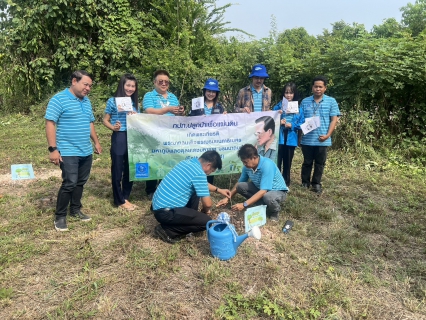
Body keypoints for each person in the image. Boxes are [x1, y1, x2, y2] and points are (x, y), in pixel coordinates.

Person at [45, 70, 102, 231]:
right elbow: (50, 124)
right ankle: (60, 216)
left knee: (80, 182)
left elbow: (90, 122)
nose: (88, 88)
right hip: (68, 150)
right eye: (85, 84)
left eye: (90, 86)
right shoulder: (59, 99)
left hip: (85, 150)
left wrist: (96, 142)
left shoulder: (87, 101)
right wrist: (53, 149)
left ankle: (75, 210)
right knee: (69, 182)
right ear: (74, 81)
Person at [151, 151, 231, 243]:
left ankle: (190, 217)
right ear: (208, 165)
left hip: (156, 206)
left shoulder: (187, 163)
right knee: (206, 222)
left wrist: (219, 190)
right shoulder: (199, 173)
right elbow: (208, 204)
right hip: (166, 213)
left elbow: (202, 184)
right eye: (211, 171)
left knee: (195, 189)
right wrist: (205, 211)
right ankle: (167, 230)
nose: (209, 173)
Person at [217, 144, 288, 221]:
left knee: (268, 197)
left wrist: (244, 204)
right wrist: (228, 198)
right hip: (261, 189)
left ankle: (274, 211)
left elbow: (263, 191)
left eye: (246, 162)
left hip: (277, 191)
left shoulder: (267, 165)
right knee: (240, 186)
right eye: (243, 162)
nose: (244, 164)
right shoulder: (247, 167)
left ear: (254, 158)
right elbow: (239, 183)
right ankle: (261, 204)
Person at [142, 70, 184, 199]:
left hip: (170, 134)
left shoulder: (173, 97)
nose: (164, 84)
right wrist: (168, 109)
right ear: (155, 82)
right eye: (161, 81)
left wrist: (180, 112)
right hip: (154, 134)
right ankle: (150, 189)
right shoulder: (149, 96)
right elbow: (149, 111)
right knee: (154, 159)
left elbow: (177, 115)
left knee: (167, 160)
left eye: (166, 82)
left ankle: (164, 187)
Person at [103, 74, 139, 211]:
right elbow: (105, 119)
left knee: (130, 169)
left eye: (133, 86)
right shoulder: (112, 101)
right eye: (128, 85)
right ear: (122, 85)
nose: (130, 88)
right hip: (120, 136)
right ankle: (119, 200)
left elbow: (139, 121)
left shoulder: (135, 103)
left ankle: (125, 196)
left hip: (133, 137)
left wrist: (135, 117)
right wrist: (113, 127)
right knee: (118, 168)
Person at [300, 76, 340, 194]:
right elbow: (300, 119)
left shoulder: (331, 101)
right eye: (315, 86)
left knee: (320, 163)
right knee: (307, 162)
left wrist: (328, 135)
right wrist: (299, 137)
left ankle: (316, 183)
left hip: (322, 139)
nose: (318, 89)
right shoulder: (305, 101)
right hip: (307, 139)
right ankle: (305, 182)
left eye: (320, 87)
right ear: (312, 88)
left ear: (325, 88)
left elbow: (334, 120)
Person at [189, 78, 227, 184]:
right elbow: (189, 120)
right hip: (198, 138)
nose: (211, 93)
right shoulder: (196, 104)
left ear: (216, 93)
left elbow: (224, 124)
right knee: (200, 159)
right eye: (208, 91)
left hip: (213, 139)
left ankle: (208, 184)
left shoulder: (219, 107)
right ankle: (196, 181)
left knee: (211, 160)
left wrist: (225, 117)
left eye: (213, 91)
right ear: (205, 91)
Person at [272, 83, 303, 186]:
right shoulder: (279, 105)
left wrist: (292, 125)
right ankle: (275, 180)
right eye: (286, 93)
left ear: (294, 94)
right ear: (283, 94)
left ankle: (286, 181)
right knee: (277, 159)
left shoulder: (298, 108)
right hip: (279, 136)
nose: (288, 95)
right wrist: (278, 120)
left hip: (291, 137)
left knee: (288, 160)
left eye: (291, 93)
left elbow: (302, 123)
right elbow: (271, 118)